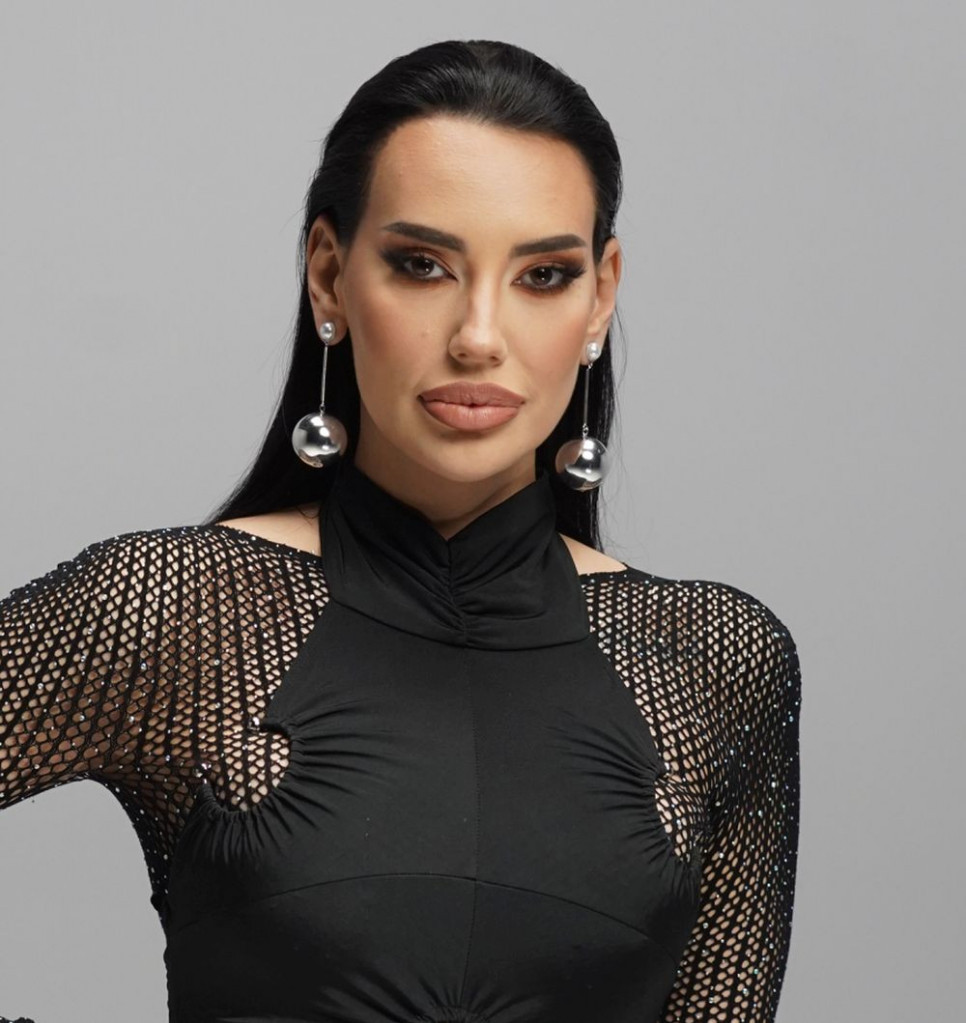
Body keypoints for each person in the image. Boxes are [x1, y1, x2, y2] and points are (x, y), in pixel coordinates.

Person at [0, 38, 802, 1023]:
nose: (478, 336)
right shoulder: (180, 610)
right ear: (330, 275)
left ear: (601, 295)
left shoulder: (715, 662)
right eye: (422, 265)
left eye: (543, 275)